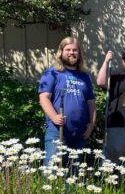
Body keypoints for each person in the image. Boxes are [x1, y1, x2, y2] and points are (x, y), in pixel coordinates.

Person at [38, 37, 96, 166]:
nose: (71, 53)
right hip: (57, 130)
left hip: (80, 132)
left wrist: (91, 124)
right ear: (61, 52)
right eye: (68, 49)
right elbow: (44, 98)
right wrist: (54, 117)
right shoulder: (52, 73)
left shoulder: (84, 76)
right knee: (53, 169)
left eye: (75, 50)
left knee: (75, 171)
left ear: (79, 53)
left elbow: (91, 102)